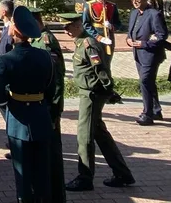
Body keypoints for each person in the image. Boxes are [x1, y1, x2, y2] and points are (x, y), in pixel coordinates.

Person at [0, 6, 54, 203]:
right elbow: (51, 90)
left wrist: (12, 96)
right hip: (41, 118)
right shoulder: (44, 56)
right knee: (43, 178)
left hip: (18, 122)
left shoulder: (6, 60)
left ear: (14, 32)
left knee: (24, 179)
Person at [58, 13, 135, 192]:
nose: (66, 30)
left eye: (69, 26)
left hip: (92, 94)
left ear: (79, 25)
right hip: (88, 92)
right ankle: (123, 173)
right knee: (100, 134)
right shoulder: (80, 42)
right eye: (64, 27)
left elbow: (100, 70)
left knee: (84, 136)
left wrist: (109, 90)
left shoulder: (88, 43)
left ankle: (85, 178)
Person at [28, 8, 67, 203]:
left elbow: (56, 78)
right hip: (42, 106)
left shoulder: (45, 41)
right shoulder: (36, 39)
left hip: (48, 107)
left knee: (51, 155)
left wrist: (53, 108)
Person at [126, 0, 168, 125]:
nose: (135, 3)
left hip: (151, 54)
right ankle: (156, 110)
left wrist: (144, 43)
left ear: (145, 0)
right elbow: (130, 32)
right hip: (138, 54)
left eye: (138, 0)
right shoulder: (134, 14)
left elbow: (162, 35)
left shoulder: (154, 14)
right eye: (133, 0)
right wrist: (128, 39)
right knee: (148, 82)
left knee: (144, 81)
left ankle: (147, 114)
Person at [82, 0, 121, 70]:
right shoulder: (89, 5)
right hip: (94, 37)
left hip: (109, 37)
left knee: (107, 63)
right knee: (96, 63)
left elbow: (118, 23)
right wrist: (99, 37)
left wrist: (112, 26)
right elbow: (86, 24)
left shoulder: (112, 6)